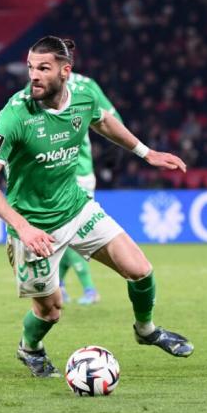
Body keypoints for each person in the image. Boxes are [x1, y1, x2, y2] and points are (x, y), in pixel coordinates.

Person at [0, 36, 194, 378]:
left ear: (65, 71)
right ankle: (29, 348)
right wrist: (24, 228)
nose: (34, 75)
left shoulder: (84, 97)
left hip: (76, 208)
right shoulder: (14, 115)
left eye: (43, 68)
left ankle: (146, 330)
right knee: (50, 312)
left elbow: (103, 120)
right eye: (30, 67)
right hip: (33, 226)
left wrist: (146, 153)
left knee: (140, 270)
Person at [59, 77, 122, 306]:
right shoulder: (87, 85)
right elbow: (116, 119)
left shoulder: (39, 87)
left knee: (68, 233)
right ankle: (60, 285)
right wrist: (110, 156)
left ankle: (88, 289)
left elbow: (110, 120)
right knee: (62, 234)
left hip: (73, 174)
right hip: (76, 172)